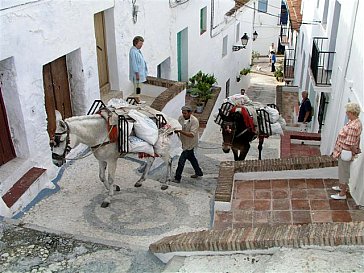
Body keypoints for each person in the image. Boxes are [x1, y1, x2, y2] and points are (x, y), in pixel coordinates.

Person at [331, 102, 362, 200]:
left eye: (347, 112)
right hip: (344, 152)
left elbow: (350, 143)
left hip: (345, 152)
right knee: (344, 171)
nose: (346, 113)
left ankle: (342, 193)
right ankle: (342, 187)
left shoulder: (353, 126)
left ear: (352, 112)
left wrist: (354, 152)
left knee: (343, 172)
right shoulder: (354, 121)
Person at [174, 106, 203, 182]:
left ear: (190, 113)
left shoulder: (194, 121)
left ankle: (177, 178)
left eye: (185, 113)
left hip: (190, 143)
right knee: (192, 158)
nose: (184, 114)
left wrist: (180, 131)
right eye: (183, 113)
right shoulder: (181, 118)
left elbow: (191, 134)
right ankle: (198, 172)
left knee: (181, 161)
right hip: (184, 142)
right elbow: (177, 126)